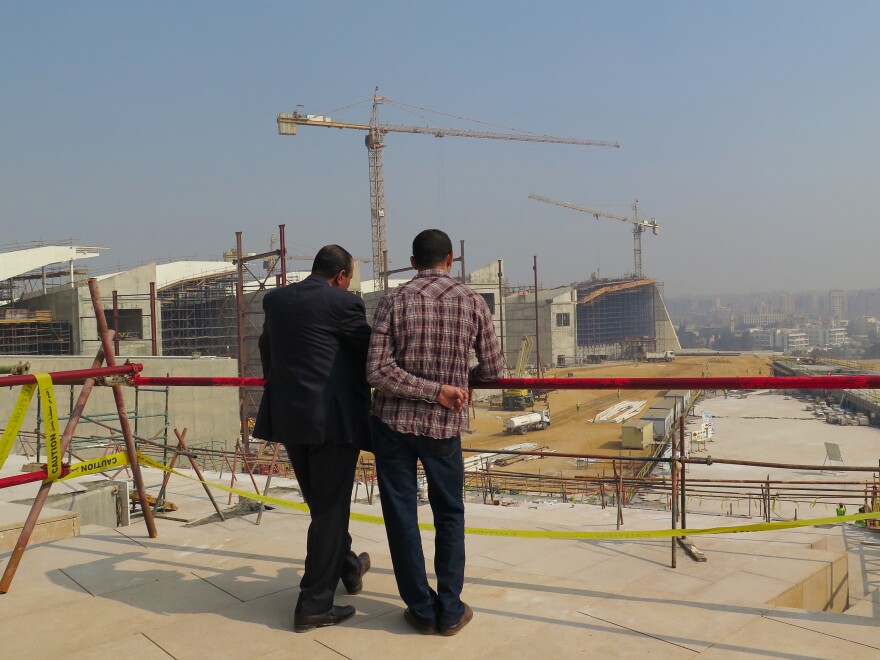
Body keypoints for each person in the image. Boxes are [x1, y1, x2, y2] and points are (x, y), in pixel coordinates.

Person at [367, 229, 505, 636]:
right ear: (450, 259)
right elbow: (495, 370)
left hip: (392, 425)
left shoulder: (393, 299)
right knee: (449, 514)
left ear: (413, 263)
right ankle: (449, 609)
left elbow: (376, 370)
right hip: (444, 429)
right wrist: (449, 387)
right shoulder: (472, 301)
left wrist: (427, 390)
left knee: (401, 516)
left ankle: (421, 610)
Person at [254, 245, 372, 633]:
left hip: (289, 418)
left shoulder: (278, 299)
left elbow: (265, 348)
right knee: (330, 509)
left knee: (322, 506)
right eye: (350, 277)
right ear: (340, 275)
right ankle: (314, 603)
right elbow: (371, 354)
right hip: (332, 422)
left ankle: (350, 567)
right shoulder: (343, 304)